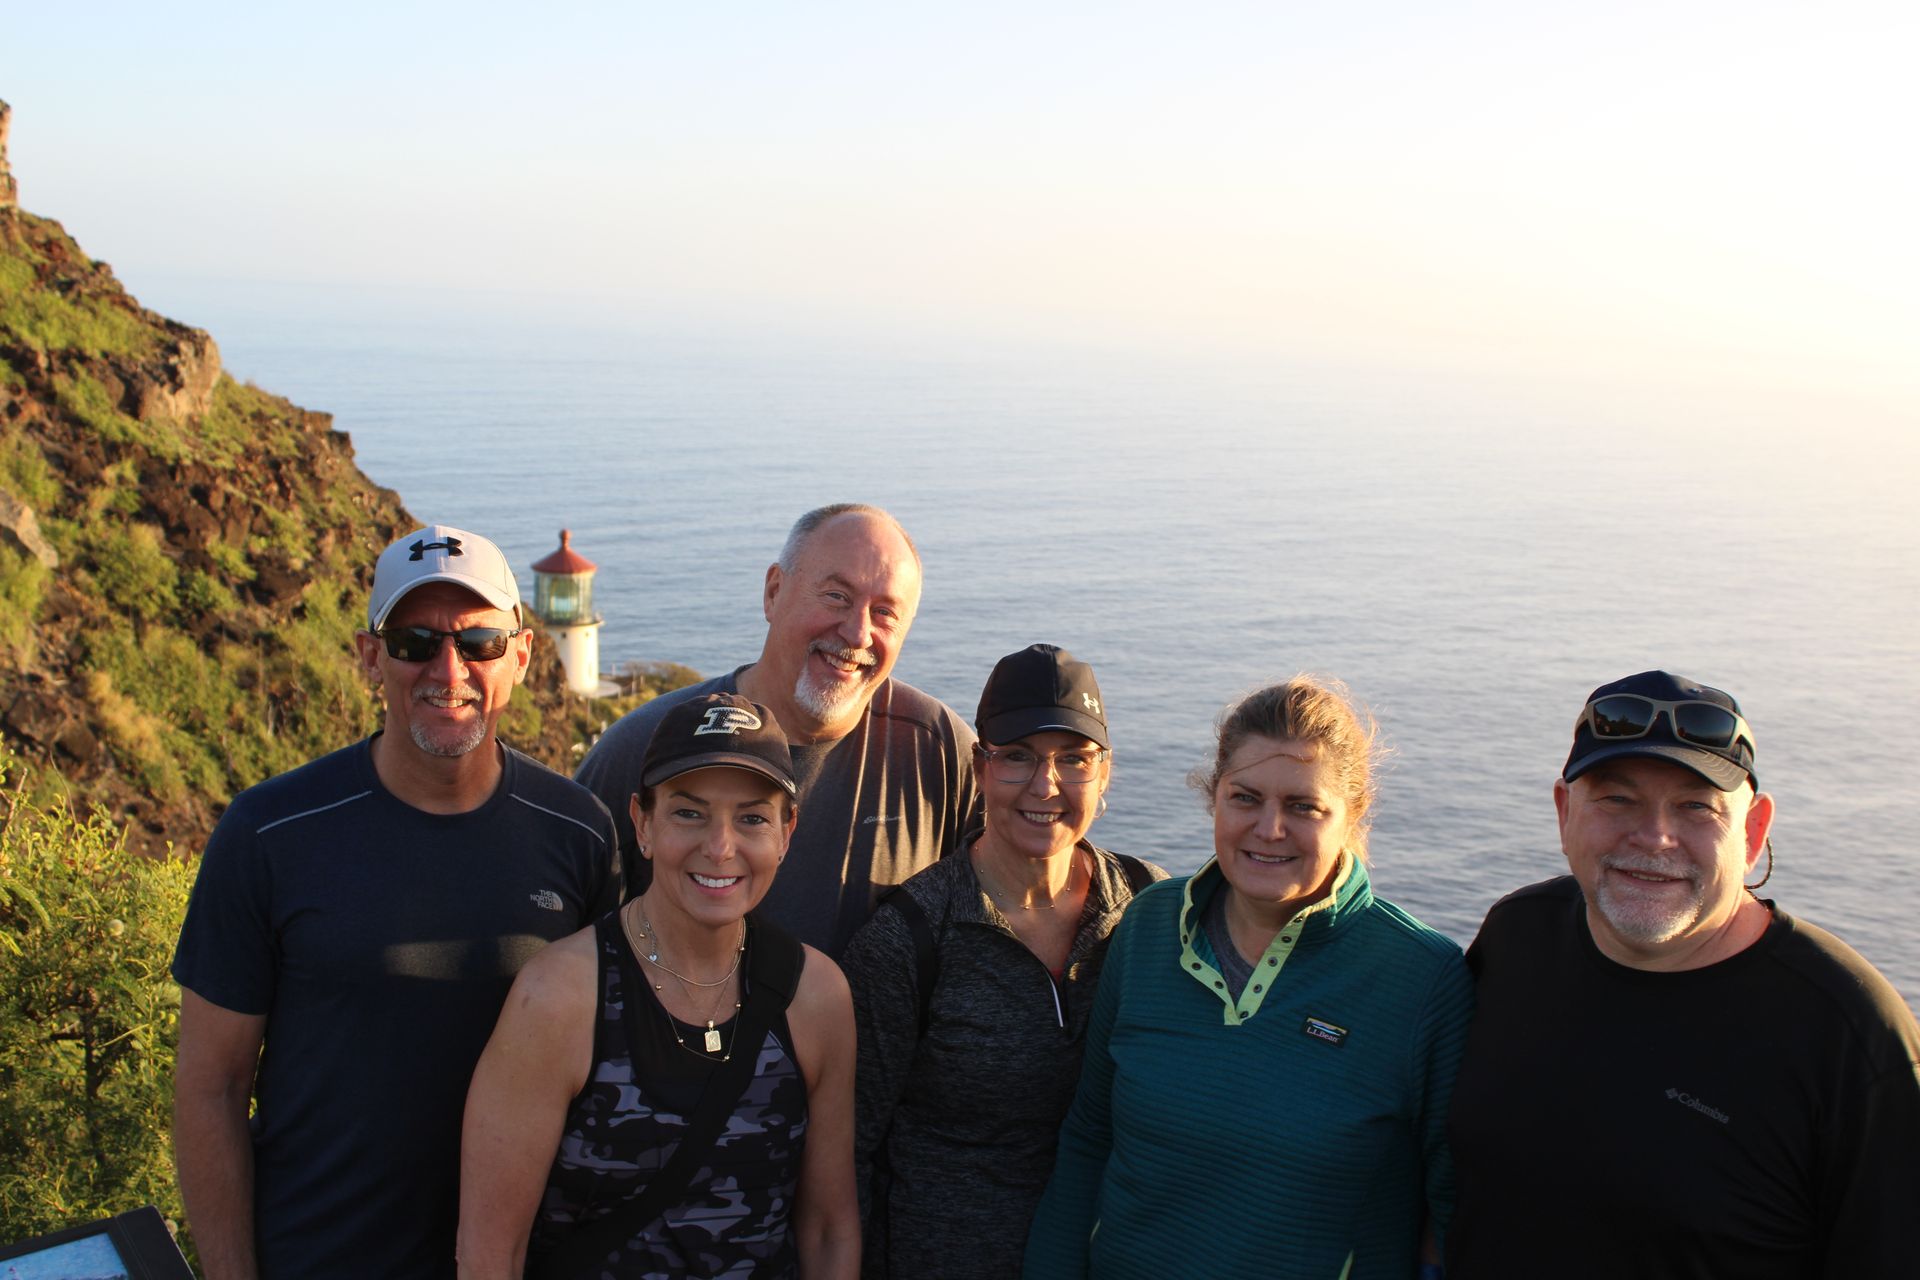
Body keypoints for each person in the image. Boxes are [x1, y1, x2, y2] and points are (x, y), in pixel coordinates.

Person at [171, 525, 621, 1280]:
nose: (449, 669)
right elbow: (210, 1089)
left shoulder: (579, 832)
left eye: (478, 641)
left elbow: (611, 1066)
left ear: (520, 656)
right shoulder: (269, 832)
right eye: (415, 642)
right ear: (369, 656)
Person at [1446, 670, 1920, 1278]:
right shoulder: (1518, 934)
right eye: (1617, 799)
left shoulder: (1851, 1034)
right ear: (1565, 812)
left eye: (1696, 806)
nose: (1654, 837)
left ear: (1752, 832)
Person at [1023, 677, 1472, 1280]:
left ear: (1352, 814)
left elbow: (1453, 1207)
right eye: (1245, 798)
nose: (1269, 828)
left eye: (1303, 806)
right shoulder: (1150, 926)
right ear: (1215, 796)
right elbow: (1089, 1137)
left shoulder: (1422, 978)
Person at [458, 692, 860, 1279]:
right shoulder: (560, 998)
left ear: (786, 833)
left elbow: (828, 1229)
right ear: (643, 824)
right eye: (688, 813)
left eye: (752, 818)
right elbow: (491, 1253)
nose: (720, 848)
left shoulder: (815, 997)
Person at [841, 644, 1165, 1278]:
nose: (1046, 785)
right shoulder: (909, 938)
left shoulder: (1150, 907)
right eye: (1017, 756)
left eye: (1073, 758)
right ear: (979, 768)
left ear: (1104, 772)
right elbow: (847, 1153)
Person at [576, 503, 978, 957]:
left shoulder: (939, 749)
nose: (857, 633)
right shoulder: (647, 747)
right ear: (773, 592)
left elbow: (1010, 903)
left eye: (885, 612)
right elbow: (568, 937)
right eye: (836, 596)